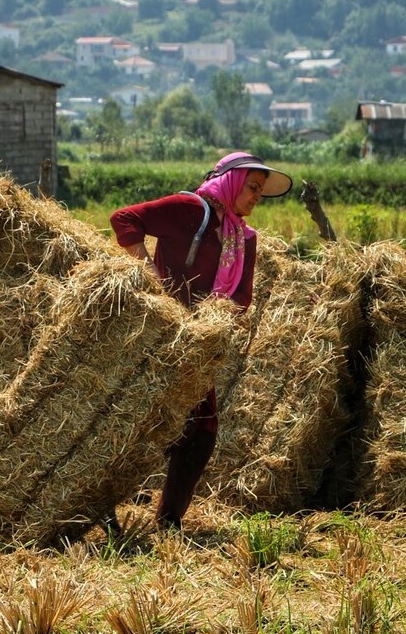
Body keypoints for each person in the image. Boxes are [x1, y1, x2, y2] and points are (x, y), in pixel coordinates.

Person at [109, 152, 292, 530]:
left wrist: (215, 324)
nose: (257, 196)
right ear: (230, 182)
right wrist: (152, 283)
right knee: (133, 424)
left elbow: (242, 297)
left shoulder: (243, 238)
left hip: (196, 345)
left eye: (261, 190)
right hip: (157, 335)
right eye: (252, 187)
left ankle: (168, 521)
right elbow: (124, 218)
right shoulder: (191, 210)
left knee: (201, 429)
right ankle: (101, 508)